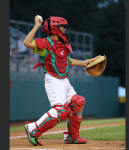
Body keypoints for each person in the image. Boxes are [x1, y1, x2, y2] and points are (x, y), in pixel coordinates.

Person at [24, 15, 100, 146]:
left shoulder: (62, 44)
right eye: (61, 26)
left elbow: (67, 60)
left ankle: (72, 136)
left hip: (64, 81)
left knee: (78, 102)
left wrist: (85, 62)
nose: (64, 29)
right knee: (60, 110)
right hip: (52, 79)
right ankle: (32, 129)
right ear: (54, 29)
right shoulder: (45, 43)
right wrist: (37, 25)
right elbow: (27, 43)